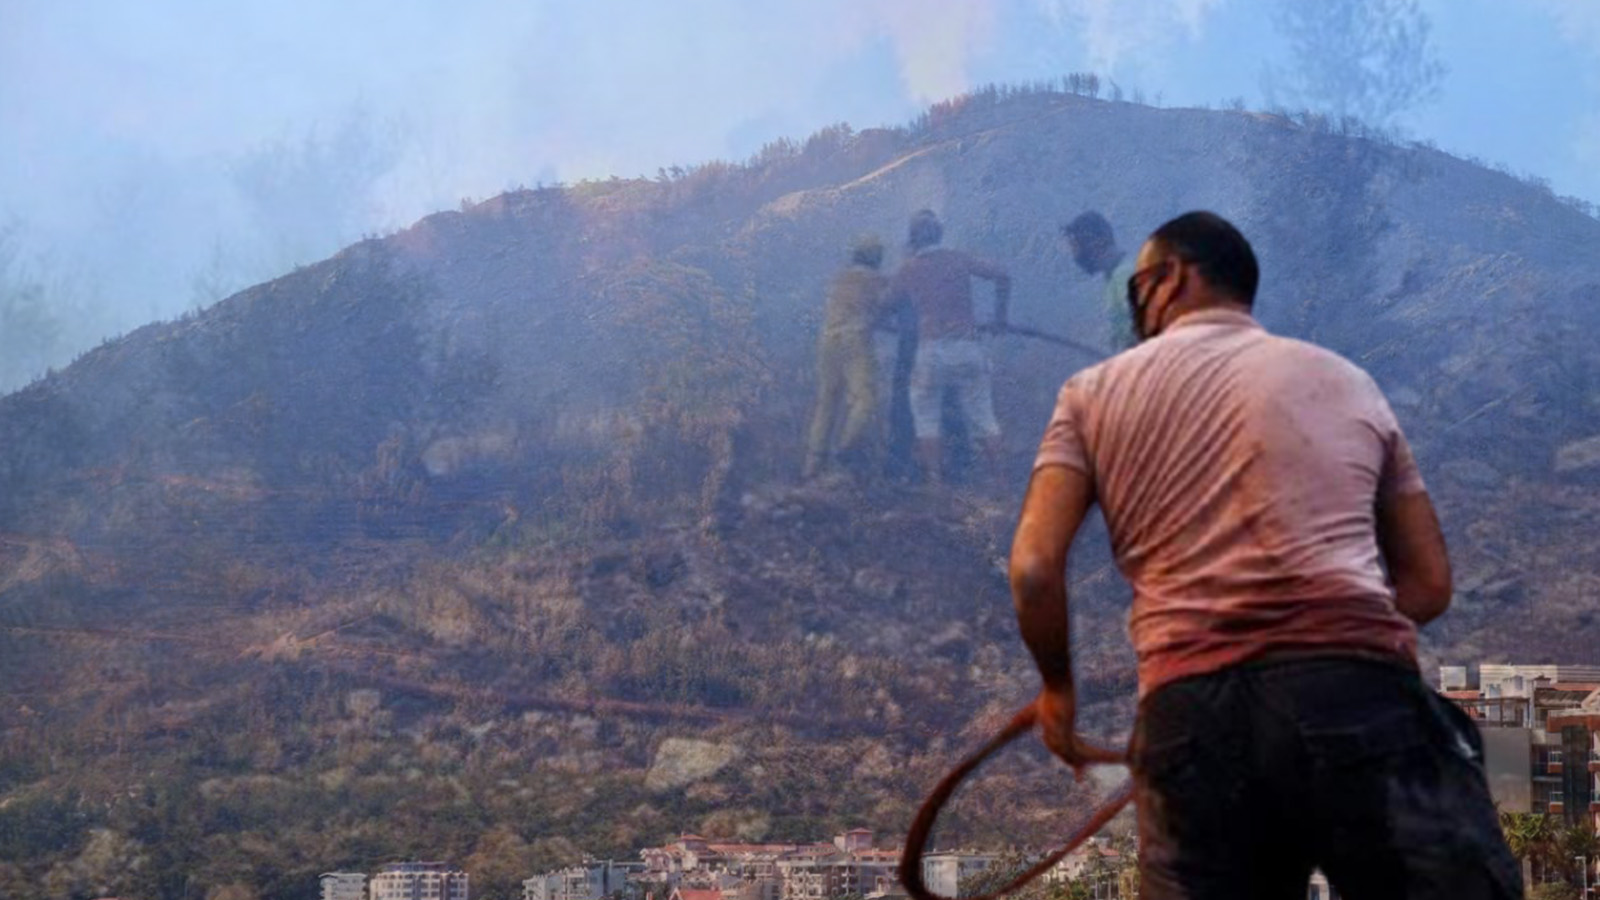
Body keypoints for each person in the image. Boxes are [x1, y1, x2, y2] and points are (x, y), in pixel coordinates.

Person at [1008, 212, 1519, 900]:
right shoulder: (1346, 381)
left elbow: (1035, 568)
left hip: (1190, 716)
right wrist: (1322, 630)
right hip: (1358, 697)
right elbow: (1428, 584)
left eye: (1138, 289)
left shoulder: (1090, 394)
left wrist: (1057, 692)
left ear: (1172, 277)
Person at [885, 209, 1012, 485]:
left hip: (931, 351)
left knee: (926, 417)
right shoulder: (958, 259)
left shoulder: (908, 269)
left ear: (913, 240)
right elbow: (1002, 275)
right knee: (984, 417)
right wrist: (1000, 319)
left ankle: (935, 483)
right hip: (968, 347)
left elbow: (886, 304)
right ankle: (1001, 481)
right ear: (940, 234)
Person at [804, 235, 891, 479]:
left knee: (827, 401)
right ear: (876, 257)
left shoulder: (839, 278)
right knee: (865, 399)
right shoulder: (877, 279)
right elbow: (884, 308)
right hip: (856, 340)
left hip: (828, 340)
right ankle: (845, 450)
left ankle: (812, 465)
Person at [1061, 211, 1137, 351]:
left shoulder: (1124, 276)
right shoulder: (1112, 279)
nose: (1076, 255)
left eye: (1077, 246)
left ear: (1097, 242)